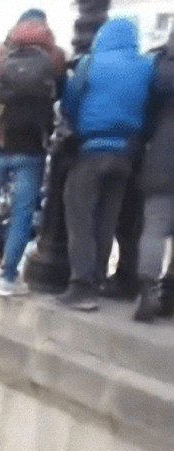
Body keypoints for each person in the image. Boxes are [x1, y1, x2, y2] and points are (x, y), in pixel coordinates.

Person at [0, 8, 66, 296]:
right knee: (21, 212)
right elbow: (61, 95)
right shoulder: (55, 56)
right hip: (32, 144)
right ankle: (7, 279)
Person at [59, 17, 153, 311]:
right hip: (126, 154)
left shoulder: (90, 63)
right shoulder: (144, 67)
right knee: (106, 221)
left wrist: (79, 126)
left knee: (80, 218)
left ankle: (81, 287)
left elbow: (69, 103)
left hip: (92, 148)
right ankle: (98, 278)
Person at [133, 30, 174, 322]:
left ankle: (147, 289)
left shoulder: (161, 67)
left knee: (155, 227)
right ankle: (170, 292)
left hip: (163, 153)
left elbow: (145, 116)